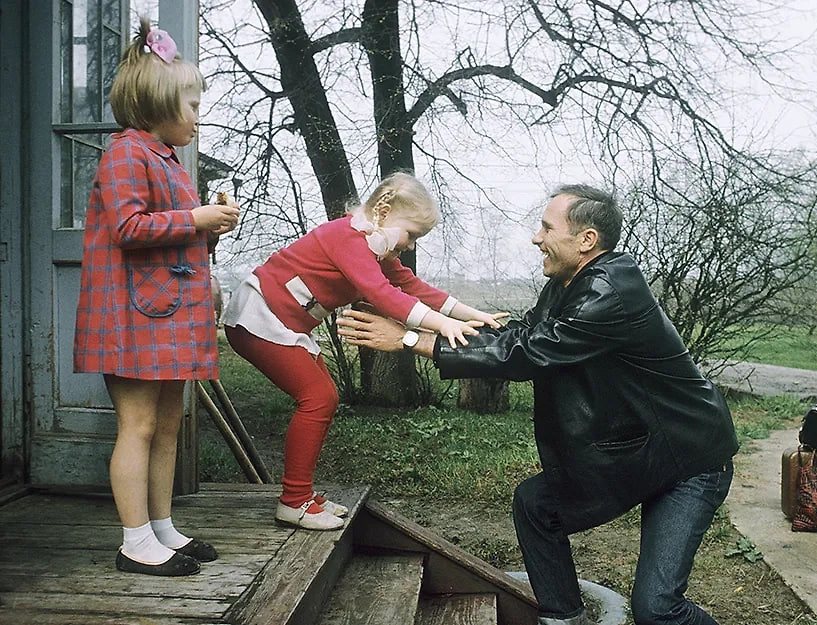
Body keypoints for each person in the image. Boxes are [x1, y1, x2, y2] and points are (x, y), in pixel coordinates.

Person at [336, 184, 739, 625]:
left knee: (657, 610)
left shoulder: (608, 291)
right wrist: (428, 324)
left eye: (547, 228)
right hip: (636, 455)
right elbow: (521, 336)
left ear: (586, 240)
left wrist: (411, 339)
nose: (536, 238)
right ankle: (565, 617)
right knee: (536, 504)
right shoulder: (567, 284)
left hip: (688, 461)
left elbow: (528, 353)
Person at [222, 171, 506, 531]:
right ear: (384, 214)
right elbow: (383, 295)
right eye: (412, 235)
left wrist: (471, 314)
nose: (411, 246)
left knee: (323, 399)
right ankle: (294, 501)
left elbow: (413, 286)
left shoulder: (374, 247)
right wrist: (441, 325)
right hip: (259, 317)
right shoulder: (347, 238)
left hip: (283, 323)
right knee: (318, 399)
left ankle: (300, 494)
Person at [73, 19, 240, 577]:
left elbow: (171, 237)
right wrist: (196, 218)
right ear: (157, 104)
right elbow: (127, 228)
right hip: (130, 317)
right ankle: (134, 542)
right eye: (191, 106)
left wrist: (209, 227)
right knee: (139, 427)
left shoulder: (166, 158)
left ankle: (161, 527)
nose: (197, 117)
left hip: (164, 315)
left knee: (168, 427)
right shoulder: (125, 154)